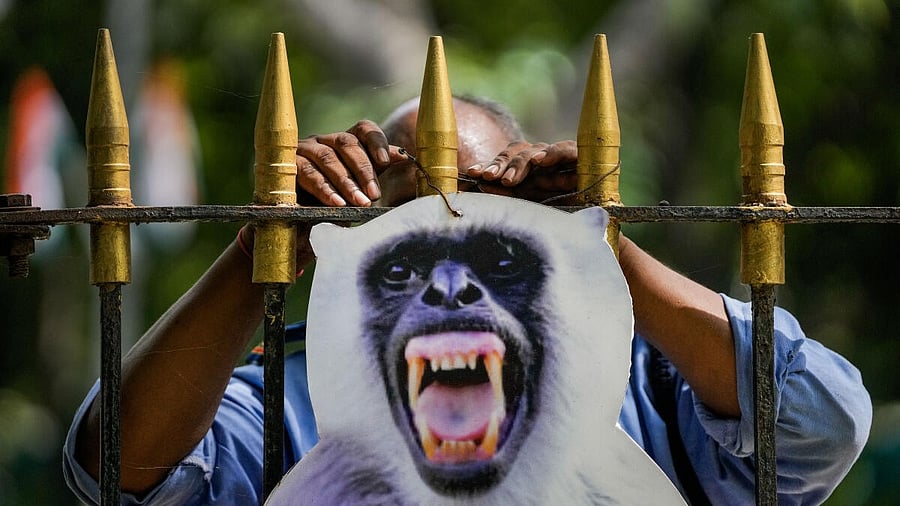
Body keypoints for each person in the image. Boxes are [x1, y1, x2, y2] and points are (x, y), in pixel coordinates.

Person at [63, 96, 871, 505]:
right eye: (407, 228)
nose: (451, 272)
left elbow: (818, 429)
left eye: (493, 230)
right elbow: (115, 474)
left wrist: (605, 248)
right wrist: (259, 254)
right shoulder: (286, 395)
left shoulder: (652, 383)